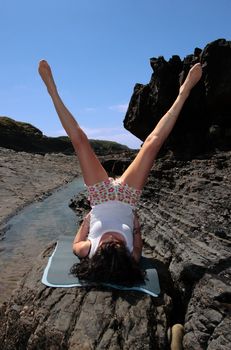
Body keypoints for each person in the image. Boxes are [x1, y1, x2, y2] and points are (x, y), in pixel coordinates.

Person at [38, 60, 202, 285]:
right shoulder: (131, 256)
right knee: (152, 144)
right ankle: (184, 92)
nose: (114, 238)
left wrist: (86, 224)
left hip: (101, 196)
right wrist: (135, 227)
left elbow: (76, 243)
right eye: (118, 243)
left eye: (108, 243)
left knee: (80, 140)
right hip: (127, 198)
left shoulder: (86, 250)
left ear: (97, 252)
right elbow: (137, 245)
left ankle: (52, 91)